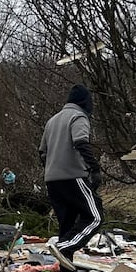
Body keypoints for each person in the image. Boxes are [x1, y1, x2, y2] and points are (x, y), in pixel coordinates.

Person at [41, 84, 103, 259]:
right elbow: (81, 142)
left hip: (52, 179)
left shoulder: (52, 121)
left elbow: (42, 152)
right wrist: (94, 169)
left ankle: (64, 265)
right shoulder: (78, 117)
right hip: (73, 175)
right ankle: (64, 248)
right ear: (85, 101)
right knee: (94, 217)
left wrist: (51, 168)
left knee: (66, 223)